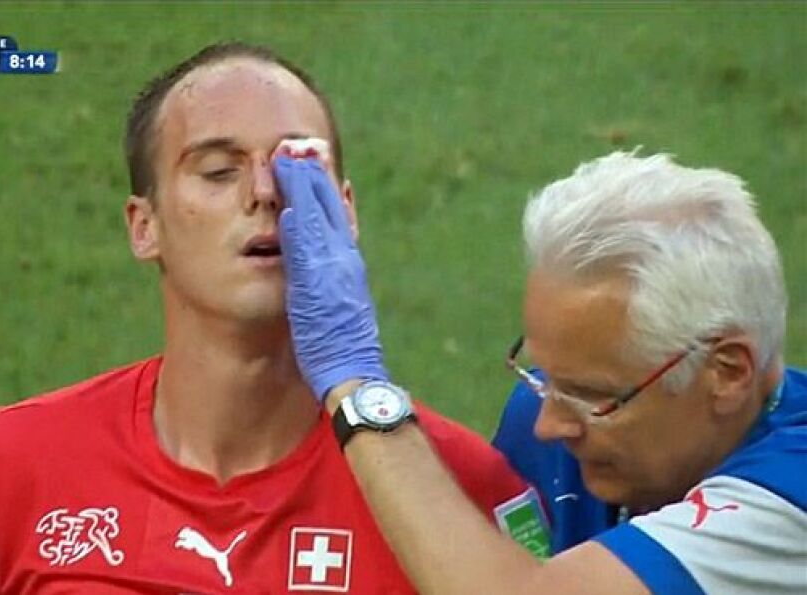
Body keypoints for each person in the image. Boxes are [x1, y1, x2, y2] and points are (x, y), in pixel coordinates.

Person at [0, 42, 537, 594]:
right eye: (219, 171)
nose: (265, 192)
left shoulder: (459, 490)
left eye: (297, 168)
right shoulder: (17, 464)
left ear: (345, 212)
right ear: (144, 226)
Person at [273, 150, 806, 594]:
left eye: (589, 394)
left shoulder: (790, 494)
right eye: (544, 375)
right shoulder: (545, 420)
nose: (547, 425)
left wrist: (358, 388)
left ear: (727, 373)